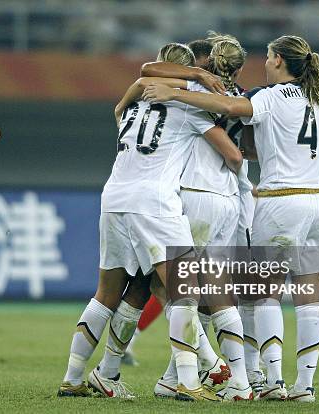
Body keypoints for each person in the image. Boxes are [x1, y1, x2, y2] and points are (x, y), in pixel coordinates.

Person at [143, 35, 319, 403]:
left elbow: (229, 107)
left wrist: (178, 94)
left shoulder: (269, 96)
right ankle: (305, 388)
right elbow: (256, 147)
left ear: (278, 59)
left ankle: (274, 381)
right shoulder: (316, 101)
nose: (264, 62)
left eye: (267, 55)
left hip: (283, 202)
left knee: (263, 297)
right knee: (310, 300)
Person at [57, 43, 223, 402]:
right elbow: (225, 138)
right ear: (184, 72)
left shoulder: (131, 109)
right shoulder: (189, 109)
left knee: (107, 293)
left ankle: (73, 377)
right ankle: (188, 381)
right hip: (156, 203)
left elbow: (123, 99)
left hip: (114, 198)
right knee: (185, 291)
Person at [140, 33, 254, 401]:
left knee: (174, 288)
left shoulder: (191, 89)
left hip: (193, 194)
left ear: (208, 61)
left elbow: (148, 71)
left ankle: (228, 374)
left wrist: (192, 77)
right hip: (229, 199)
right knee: (209, 291)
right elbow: (244, 152)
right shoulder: (242, 98)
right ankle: (176, 377)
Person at [121, 37, 215, 369]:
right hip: (174, 200)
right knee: (181, 286)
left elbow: (140, 81)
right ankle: (207, 365)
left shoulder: (142, 100)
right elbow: (231, 150)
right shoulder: (190, 101)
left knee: (153, 286)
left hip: (136, 197)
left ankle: (104, 368)